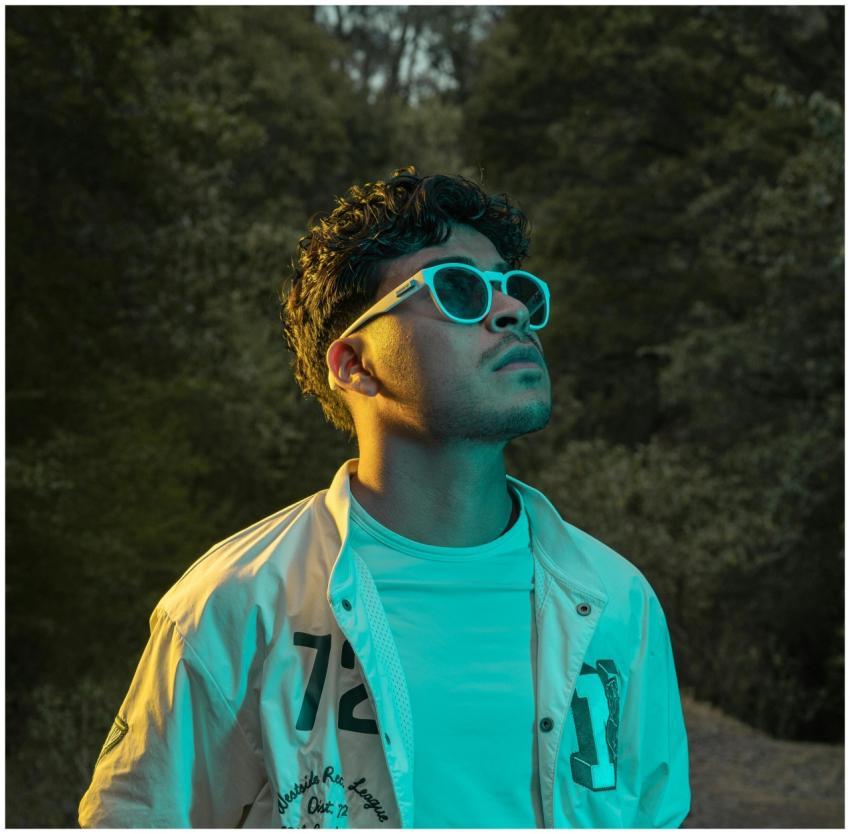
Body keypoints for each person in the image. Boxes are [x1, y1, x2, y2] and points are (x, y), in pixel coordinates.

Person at [78, 166, 691, 828]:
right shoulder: (233, 605)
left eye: (512, 288)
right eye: (458, 289)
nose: (512, 310)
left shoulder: (617, 601)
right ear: (355, 365)